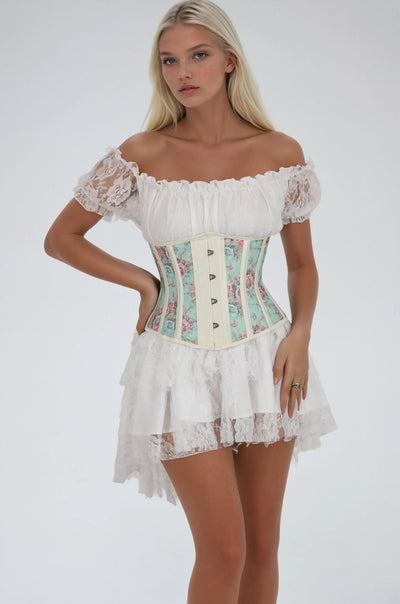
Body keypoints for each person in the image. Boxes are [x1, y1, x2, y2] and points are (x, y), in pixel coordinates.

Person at [44, 1, 338, 602]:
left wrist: (301, 333)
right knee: (224, 551)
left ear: (229, 61)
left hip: (265, 359)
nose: (183, 72)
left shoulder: (280, 153)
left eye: (198, 55)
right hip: (174, 363)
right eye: (170, 60)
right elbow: (61, 238)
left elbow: (302, 264)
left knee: (262, 547)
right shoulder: (141, 154)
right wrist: (145, 283)